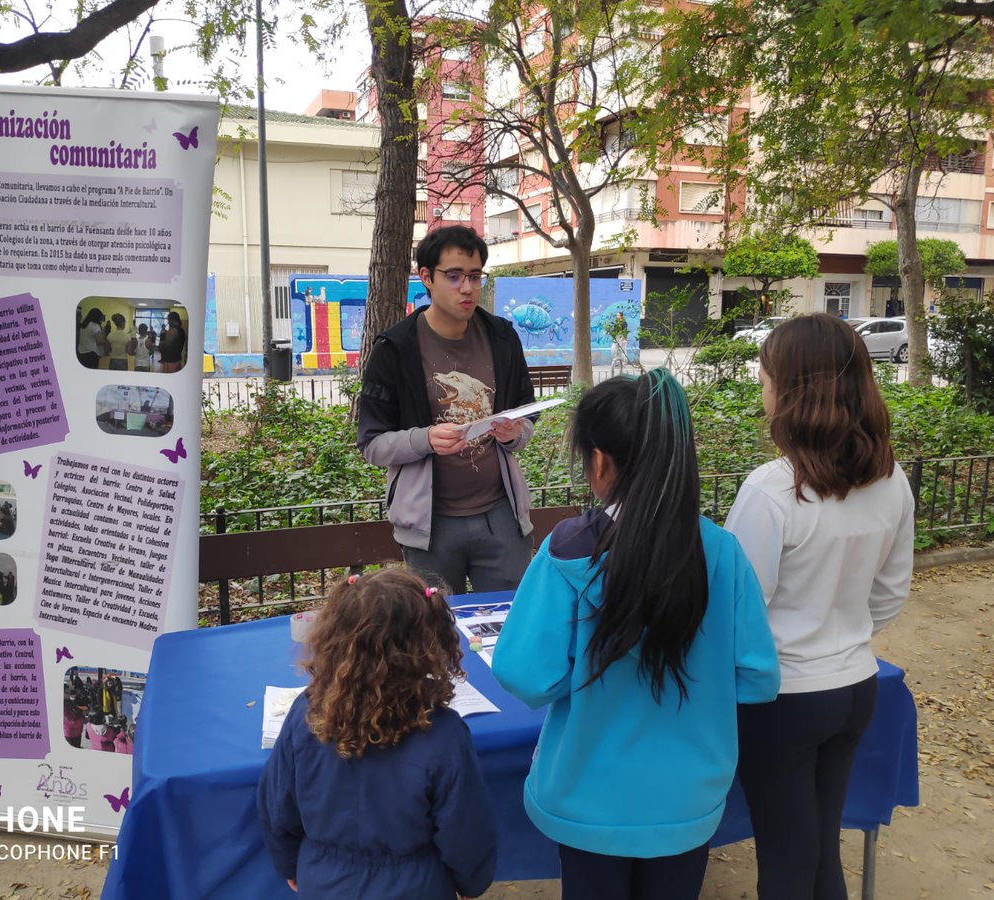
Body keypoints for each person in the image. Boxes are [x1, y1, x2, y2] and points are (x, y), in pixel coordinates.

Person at [491, 371, 780, 900]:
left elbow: (526, 675)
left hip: (588, 798)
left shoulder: (569, 551)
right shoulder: (722, 551)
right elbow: (758, 677)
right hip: (686, 801)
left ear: (599, 461)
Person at [723, 314, 914, 900]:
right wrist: (842, 634)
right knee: (820, 848)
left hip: (784, 698)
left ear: (792, 389)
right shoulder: (892, 479)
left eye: (767, 377)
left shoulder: (771, 489)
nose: (763, 389)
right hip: (856, 686)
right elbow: (889, 592)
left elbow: (738, 613)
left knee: (786, 860)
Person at [257, 569, 497, 900]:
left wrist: (288, 864)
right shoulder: (443, 732)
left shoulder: (307, 712)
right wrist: (471, 882)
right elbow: (465, 826)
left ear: (334, 635)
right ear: (428, 643)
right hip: (415, 886)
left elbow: (277, 804)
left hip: (324, 880)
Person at [357, 225, 536, 594]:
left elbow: (527, 415)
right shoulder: (395, 349)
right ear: (426, 277)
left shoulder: (502, 337)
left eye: (474, 276)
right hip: (430, 527)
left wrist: (515, 434)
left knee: (509, 625)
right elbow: (372, 444)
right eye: (453, 276)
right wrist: (425, 439)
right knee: (433, 637)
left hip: (501, 518)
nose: (467, 288)